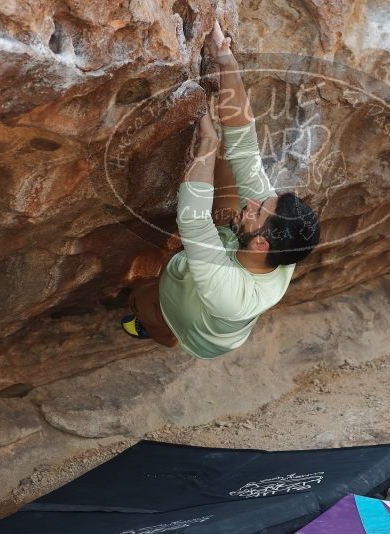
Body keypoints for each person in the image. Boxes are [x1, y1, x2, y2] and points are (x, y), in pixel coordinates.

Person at [122, 20, 321, 359]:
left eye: (256, 211)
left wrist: (207, 142)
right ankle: (184, 269)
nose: (253, 203)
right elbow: (246, 146)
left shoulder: (232, 295)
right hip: (225, 263)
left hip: (193, 327)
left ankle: (152, 326)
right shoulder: (280, 244)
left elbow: (194, 219)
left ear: (260, 242)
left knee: (144, 300)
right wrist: (224, 56)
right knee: (232, 163)